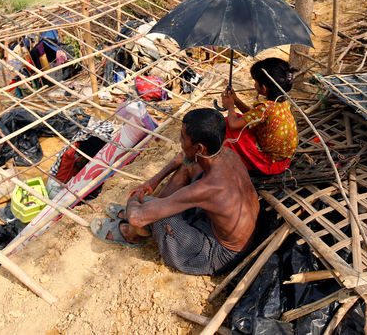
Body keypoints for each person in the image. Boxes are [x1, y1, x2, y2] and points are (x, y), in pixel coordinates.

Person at [90, 108, 259, 276]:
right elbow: (184, 157)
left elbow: (135, 217)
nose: (179, 141)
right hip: (227, 229)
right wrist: (153, 181)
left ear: (199, 147)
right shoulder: (227, 154)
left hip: (218, 252)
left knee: (151, 211)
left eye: (183, 137)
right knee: (188, 165)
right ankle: (150, 213)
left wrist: (138, 196)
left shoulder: (208, 187)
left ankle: (133, 234)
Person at [220, 57, 298, 176]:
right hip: (284, 162)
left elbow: (233, 125)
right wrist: (236, 101)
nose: (254, 84)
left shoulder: (266, 108)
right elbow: (253, 115)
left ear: (264, 88)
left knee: (227, 125)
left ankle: (227, 162)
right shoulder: (280, 103)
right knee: (237, 117)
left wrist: (230, 106)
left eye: (256, 81)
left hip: (269, 164)